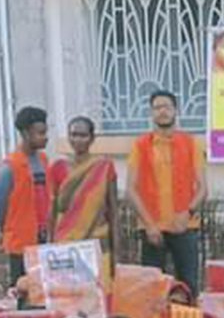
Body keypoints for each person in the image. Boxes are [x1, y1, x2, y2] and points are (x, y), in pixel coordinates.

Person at [129, 90, 207, 293]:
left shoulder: (192, 144)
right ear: (151, 113)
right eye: (157, 108)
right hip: (152, 228)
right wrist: (149, 224)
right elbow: (130, 190)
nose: (162, 111)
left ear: (175, 110)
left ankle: (187, 316)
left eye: (166, 107)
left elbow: (203, 188)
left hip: (185, 226)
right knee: (152, 288)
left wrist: (188, 213)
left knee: (188, 286)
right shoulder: (140, 146)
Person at [0, 106, 54, 285]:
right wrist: (11, 228)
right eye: (40, 133)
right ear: (26, 133)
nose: (45, 137)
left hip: (44, 238)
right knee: (21, 289)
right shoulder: (10, 166)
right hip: (21, 241)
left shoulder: (44, 160)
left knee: (43, 289)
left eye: (45, 132)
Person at [48, 116, 118, 251]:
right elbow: (52, 211)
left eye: (83, 135)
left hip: (96, 243)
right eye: (73, 135)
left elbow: (113, 212)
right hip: (65, 243)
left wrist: (117, 251)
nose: (78, 140)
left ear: (92, 138)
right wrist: (49, 245)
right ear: (68, 137)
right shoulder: (57, 168)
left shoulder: (104, 167)